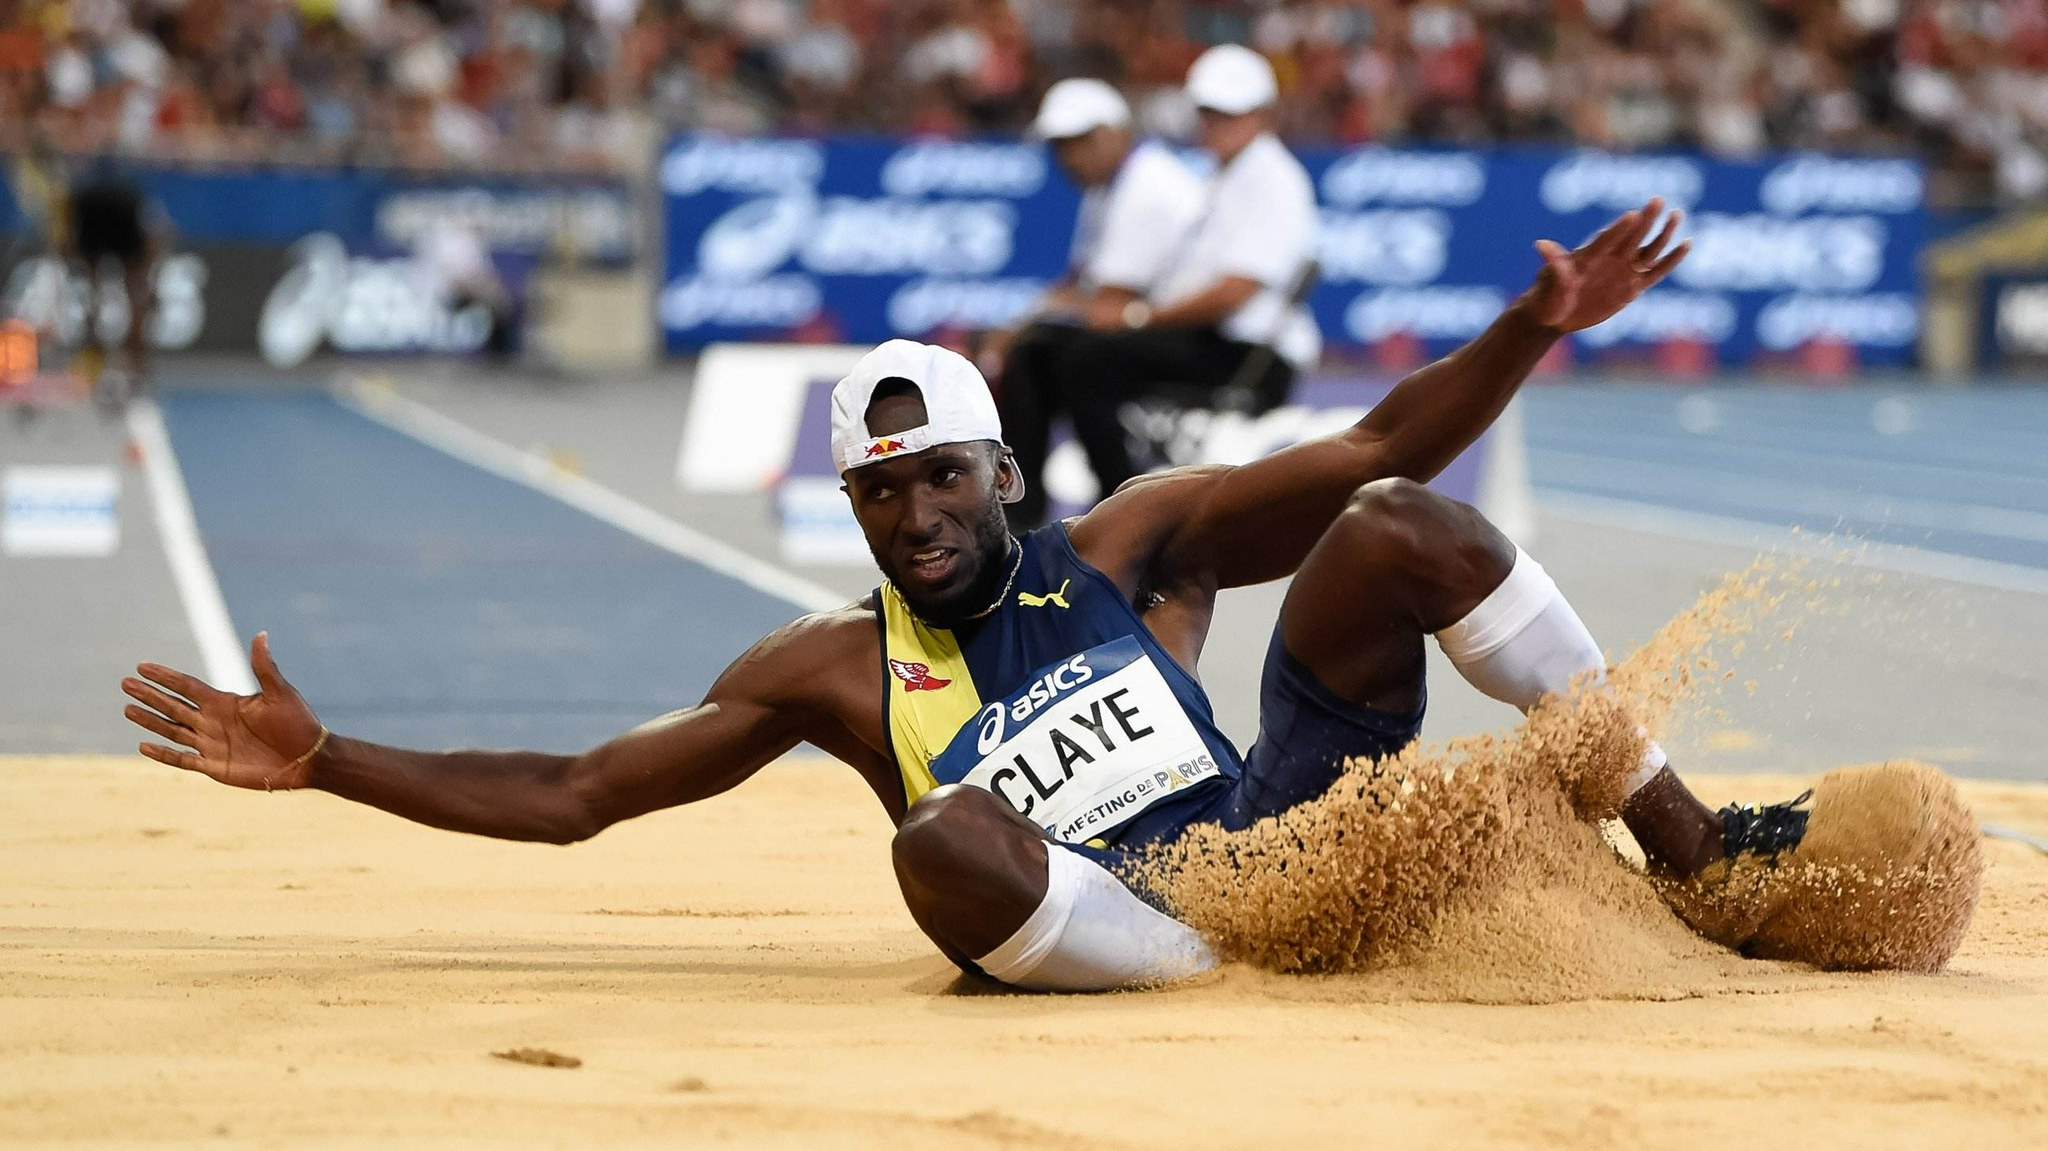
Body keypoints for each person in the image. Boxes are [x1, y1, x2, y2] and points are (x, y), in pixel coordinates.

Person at [122, 199, 1813, 993]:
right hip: (1127, 932)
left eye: (940, 476)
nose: (913, 515)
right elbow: (575, 794)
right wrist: (327, 755)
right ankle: (1198, 980)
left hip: (1276, 838)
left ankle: (1690, 853)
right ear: (848, 504)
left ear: (1004, 474)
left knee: (1387, 517)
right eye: (876, 491)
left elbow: (1378, 432)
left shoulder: (1131, 545)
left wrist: (1526, 329)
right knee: (934, 844)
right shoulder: (828, 674)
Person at [997, 44, 1321, 529]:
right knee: (1049, 354)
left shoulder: (1271, 178)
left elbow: (1236, 292)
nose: (1216, 124)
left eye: (1230, 113)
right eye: (1209, 112)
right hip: (1216, 339)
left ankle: (1123, 511)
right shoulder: (1226, 177)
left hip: (1247, 352)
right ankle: (1029, 516)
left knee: (1085, 359)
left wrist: (1137, 318)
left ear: (1263, 114)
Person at [989, 78, 1204, 527]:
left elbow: (1109, 298)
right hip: (1154, 324)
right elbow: (1083, 281)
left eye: (1079, 142)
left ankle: (1113, 498)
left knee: (1067, 358)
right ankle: (1026, 509)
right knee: (1037, 354)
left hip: (1184, 329)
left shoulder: (1148, 188)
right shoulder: (1112, 186)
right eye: (1061, 146)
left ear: (1114, 133)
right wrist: (1022, 325)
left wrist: (1021, 328)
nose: (1069, 157)